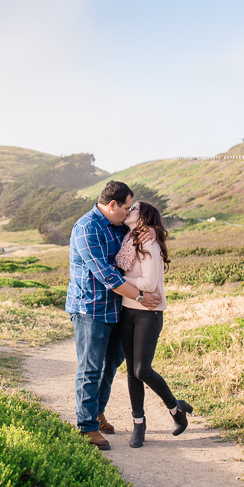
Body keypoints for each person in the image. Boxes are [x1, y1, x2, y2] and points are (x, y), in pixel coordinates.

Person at [67, 181, 161, 451]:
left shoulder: (118, 224)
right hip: (90, 308)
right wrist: (141, 297)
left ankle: (97, 412)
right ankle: (86, 427)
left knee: (112, 363)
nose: (128, 211)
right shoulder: (86, 228)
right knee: (91, 366)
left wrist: (150, 231)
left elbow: (137, 233)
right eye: (126, 207)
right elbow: (106, 275)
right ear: (112, 205)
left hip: (116, 308)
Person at [116, 200, 193, 448]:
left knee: (142, 370)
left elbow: (149, 285)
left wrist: (117, 279)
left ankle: (175, 408)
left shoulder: (149, 242)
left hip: (148, 314)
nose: (128, 211)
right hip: (127, 312)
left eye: (134, 208)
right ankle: (139, 424)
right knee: (131, 372)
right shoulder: (129, 238)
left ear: (144, 216)